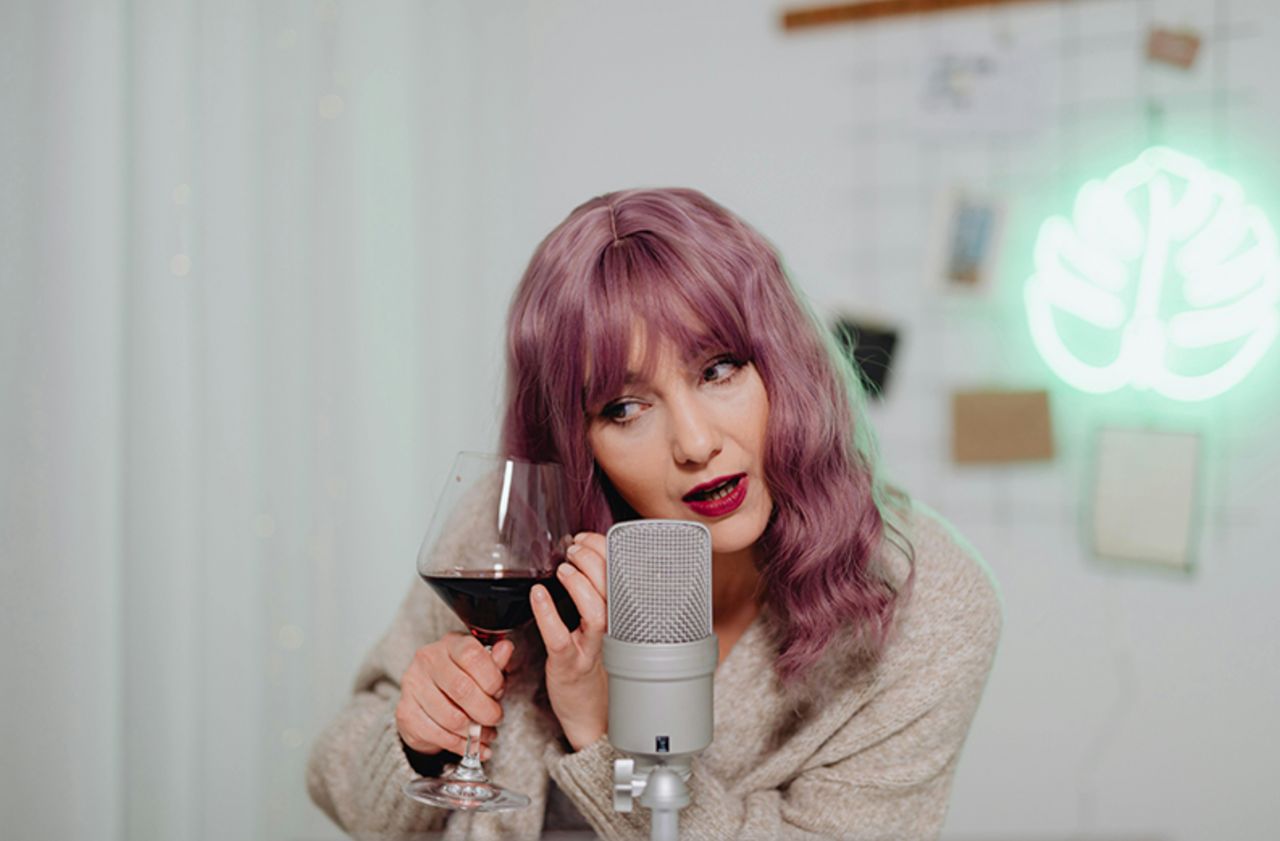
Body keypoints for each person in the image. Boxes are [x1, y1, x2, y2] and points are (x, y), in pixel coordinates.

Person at [307, 187, 1002, 840]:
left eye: (719, 370)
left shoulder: (925, 604)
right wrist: (418, 743)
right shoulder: (514, 529)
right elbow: (338, 782)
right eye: (625, 408)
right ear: (577, 441)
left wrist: (610, 738)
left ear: (786, 366)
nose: (695, 443)